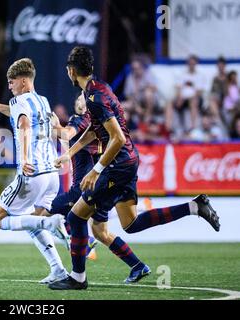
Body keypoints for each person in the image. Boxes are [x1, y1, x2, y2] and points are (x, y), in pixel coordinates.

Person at [48, 46, 220, 290]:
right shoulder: (100, 89)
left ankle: (77, 278)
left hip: (117, 165)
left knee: (76, 217)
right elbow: (94, 131)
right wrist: (69, 153)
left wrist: (96, 170)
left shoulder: (94, 98)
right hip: (128, 160)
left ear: (71, 71)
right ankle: (194, 206)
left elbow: (116, 138)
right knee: (131, 223)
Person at [0, 58, 69, 284]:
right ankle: (58, 270)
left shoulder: (19, 101)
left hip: (32, 173)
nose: (9, 86)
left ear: (24, 82)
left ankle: (50, 223)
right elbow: (17, 113)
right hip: (51, 176)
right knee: (31, 223)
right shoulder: (43, 101)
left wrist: (24, 157)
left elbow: (23, 125)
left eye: (12, 81)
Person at [50, 94, 153, 276]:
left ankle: (78, 258)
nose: (80, 100)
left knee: (52, 208)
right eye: (79, 98)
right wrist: (57, 129)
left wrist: (54, 126)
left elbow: (67, 134)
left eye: (82, 98)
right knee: (101, 232)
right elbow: (68, 138)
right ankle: (137, 265)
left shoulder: (82, 119)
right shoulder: (94, 121)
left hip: (86, 185)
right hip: (100, 182)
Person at [165, 55, 206, 140]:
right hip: (183, 98)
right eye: (190, 63)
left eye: (193, 63)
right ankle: (168, 128)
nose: (191, 64)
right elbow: (179, 88)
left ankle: (193, 127)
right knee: (169, 103)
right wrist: (180, 97)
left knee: (193, 100)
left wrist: (187, 97)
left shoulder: (200, 76)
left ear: (196, 63)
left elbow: (199, 92)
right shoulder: (182, 74)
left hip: (194, 98)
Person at [123, 58, 158, 122]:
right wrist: (136, 107)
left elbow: (155, 88)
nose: (135, 70)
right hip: (135, 102)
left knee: (148, 93)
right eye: (133, 69)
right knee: (121, 106)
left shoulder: (147, 74)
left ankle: (148, 116)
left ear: (141, 67)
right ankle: (123, 129)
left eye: (137, 68)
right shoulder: (130, 78)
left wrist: (144, 87)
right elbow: (127, 95)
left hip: (148, 101)